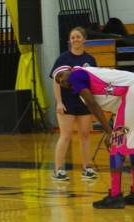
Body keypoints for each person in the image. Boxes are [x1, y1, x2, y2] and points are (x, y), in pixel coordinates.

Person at [54, 65, 134, 209]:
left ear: (70, 70)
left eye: (61, 75)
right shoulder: (87, 75)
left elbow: (92, 104)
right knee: (133, 143)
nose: (62, 81)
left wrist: (110, 132)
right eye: (58, 81)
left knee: (116, 144)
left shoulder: (76, 74)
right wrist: (111, 130)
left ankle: (115, 195)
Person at [50, 27, 99, 181]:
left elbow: (94, 83)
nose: (75, 40)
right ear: (70, 41)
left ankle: (87, 168)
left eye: (78, 37)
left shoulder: (90, 60)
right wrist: (59, 102)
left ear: (84, 39)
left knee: (85, 134)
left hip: (83, 102)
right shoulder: (63, 59)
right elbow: (56, 82)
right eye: (72, 37)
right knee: (66, 136)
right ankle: (58, 170)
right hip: (66, 102)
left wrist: (93, 104)